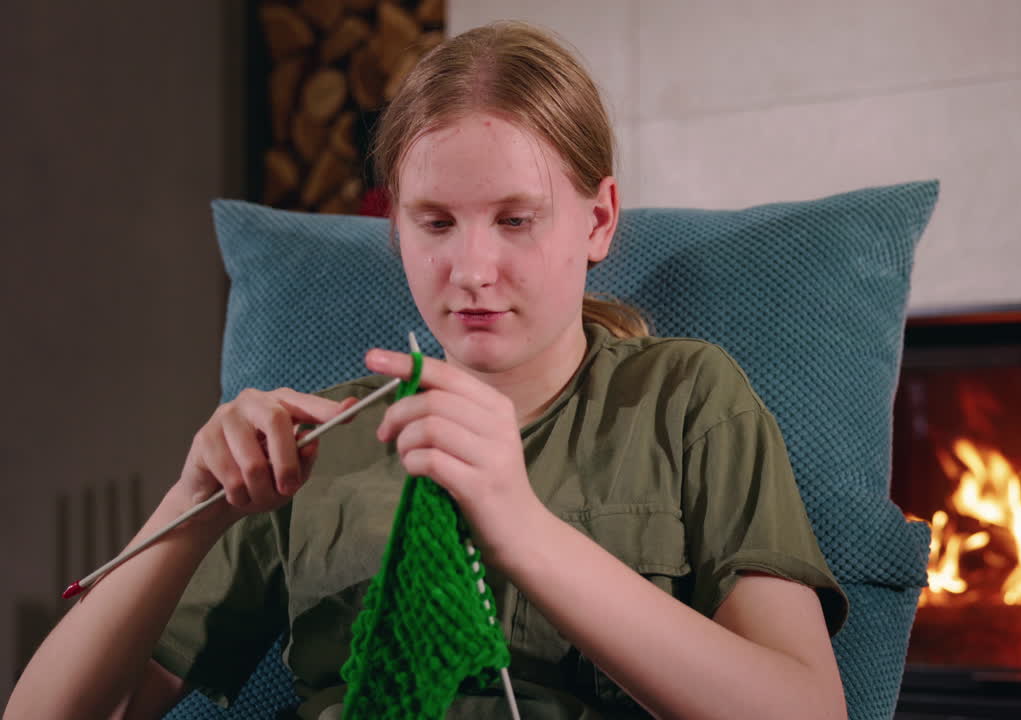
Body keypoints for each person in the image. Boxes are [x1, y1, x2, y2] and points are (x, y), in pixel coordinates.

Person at [7, 21, 848, 720]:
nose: (472, 268)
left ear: (598, 221)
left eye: (516, 220)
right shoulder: (315, 442)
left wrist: (521, 526)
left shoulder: (687, 397)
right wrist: (188, 508)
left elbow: (807, 710)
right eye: (436, 222)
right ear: (398, 228)